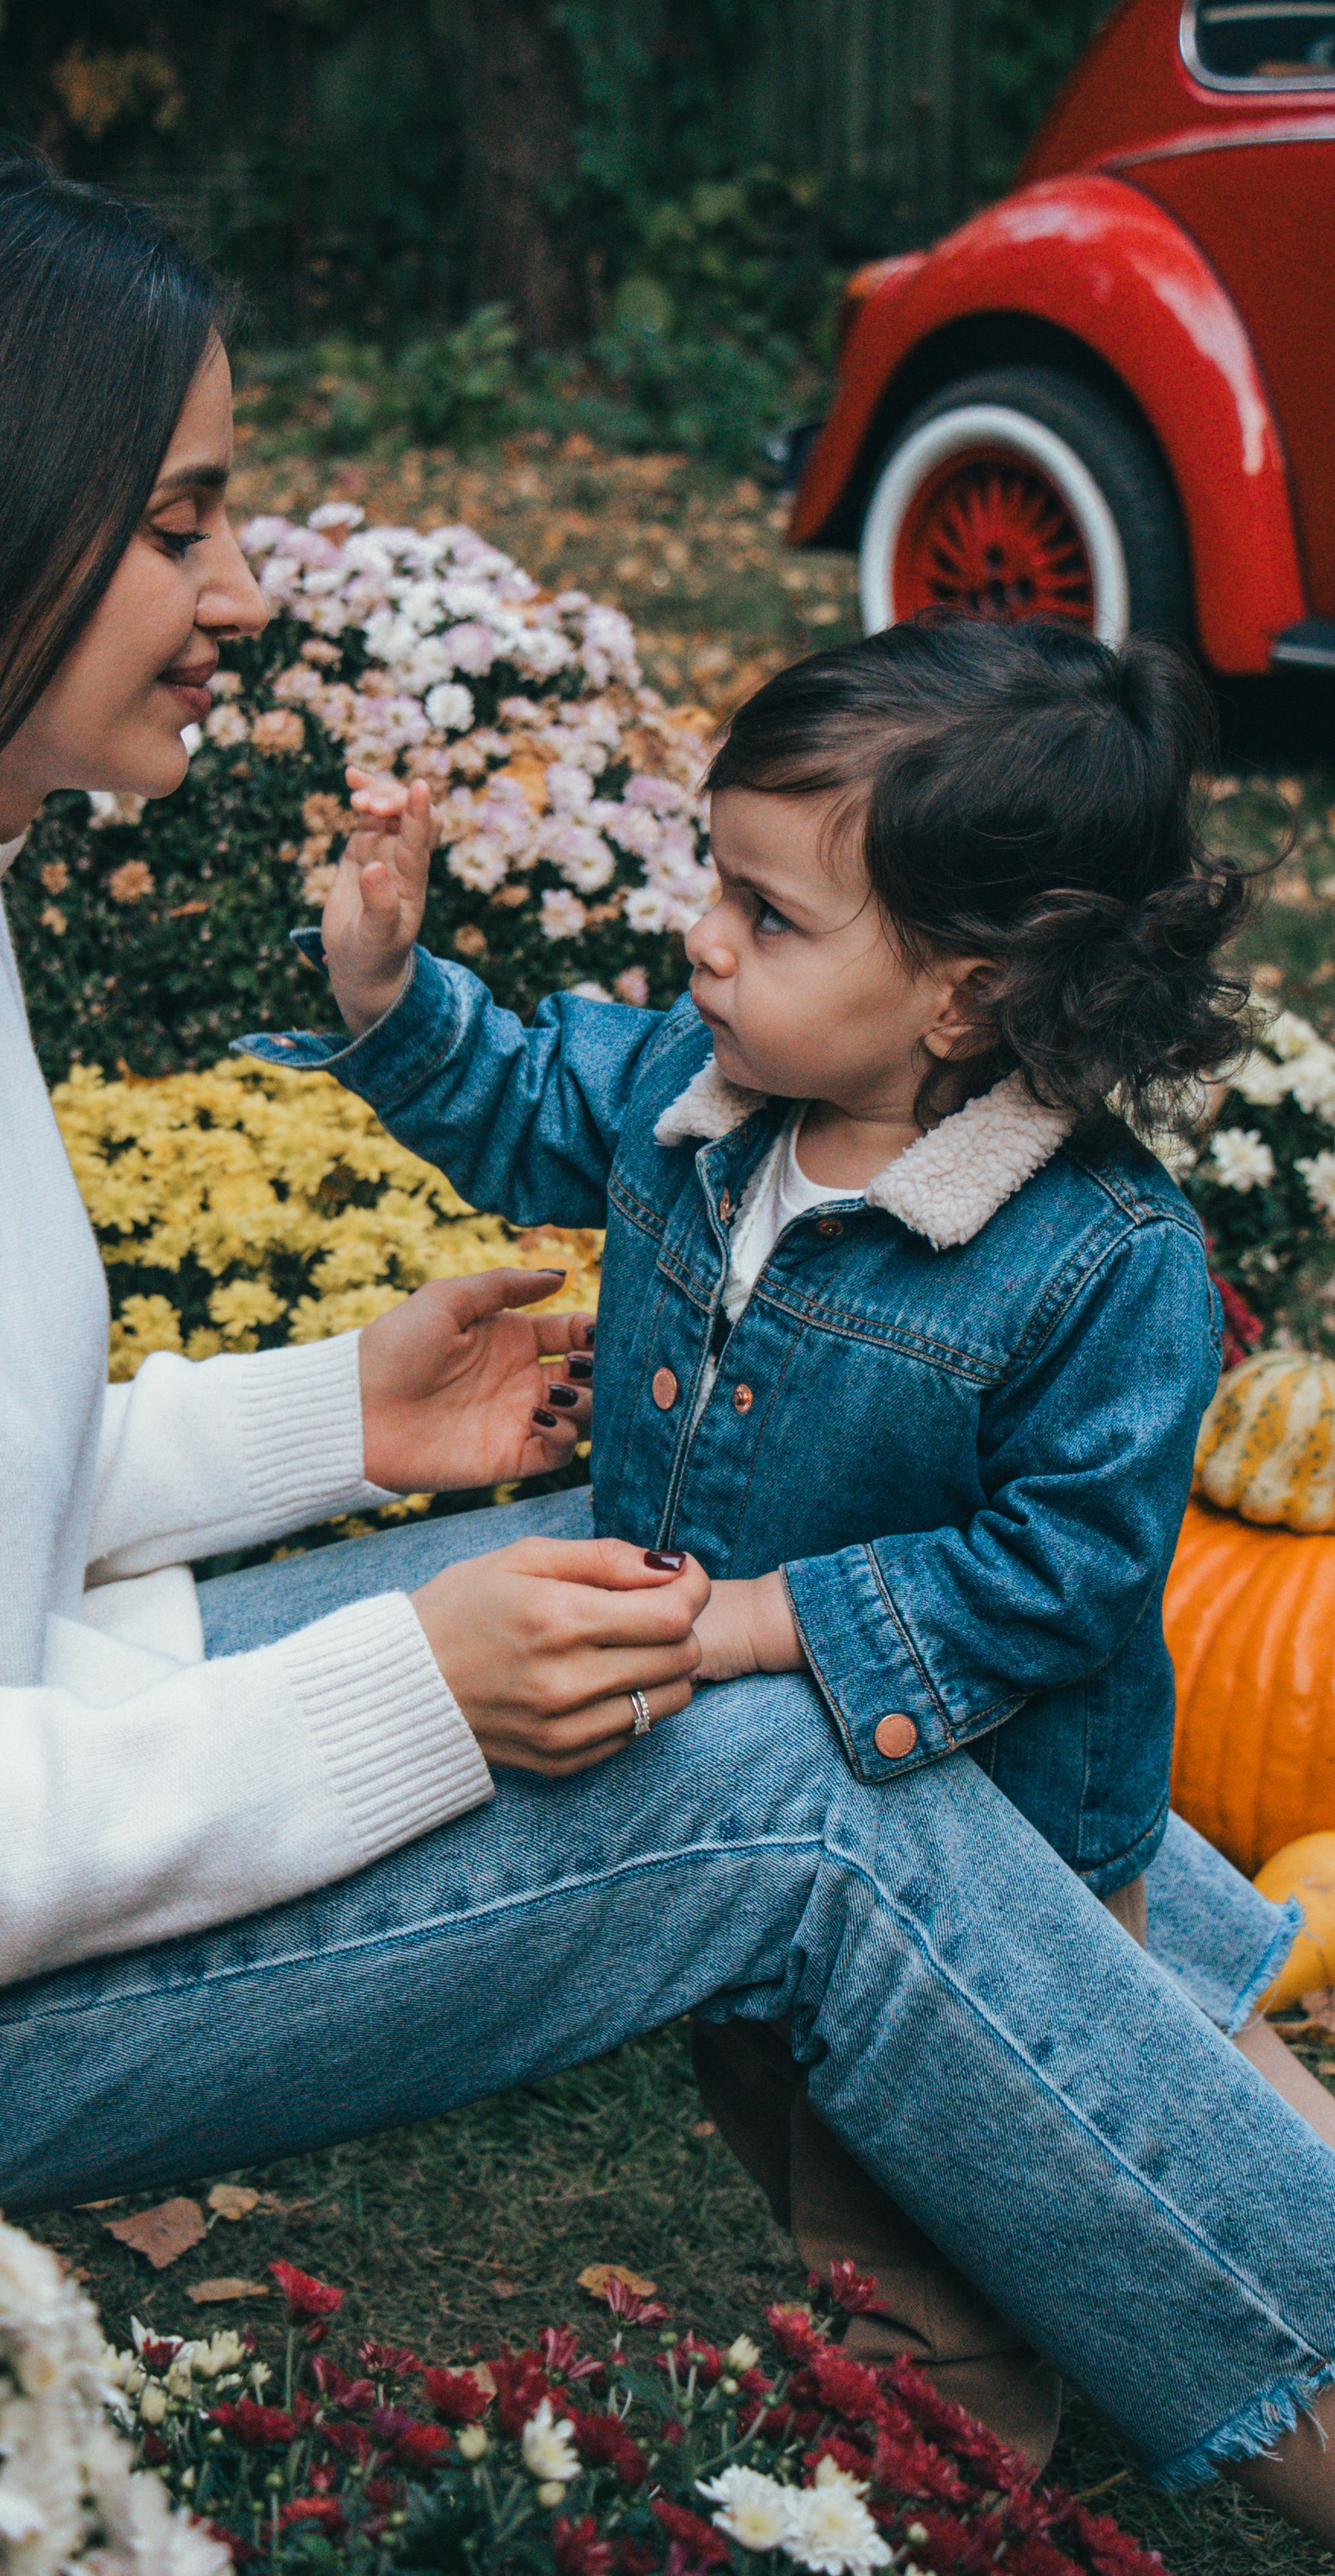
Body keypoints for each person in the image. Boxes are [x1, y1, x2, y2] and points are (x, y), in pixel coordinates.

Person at [0, 142, 1333, 2536]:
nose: (240, 589)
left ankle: (1237, 2103)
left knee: (765, 1586)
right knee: (774, 1772)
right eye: (182, 519)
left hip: (5, 1756)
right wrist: (415, 1687)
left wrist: (344, 1419)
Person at [242, 618, 1284, 2466]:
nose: (701, 943)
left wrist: (748, 1625)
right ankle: (980, 2360)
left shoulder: (1094, 1263)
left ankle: (945, 2462)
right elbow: (525, 1095)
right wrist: (390, 990)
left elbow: (1061, 1574)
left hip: (995, 1839)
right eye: (710, 885)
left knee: (934, 2185)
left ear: (961, 999)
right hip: (733, 1804)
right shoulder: (702, 1104)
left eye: (766, 916)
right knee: (773, 2080)